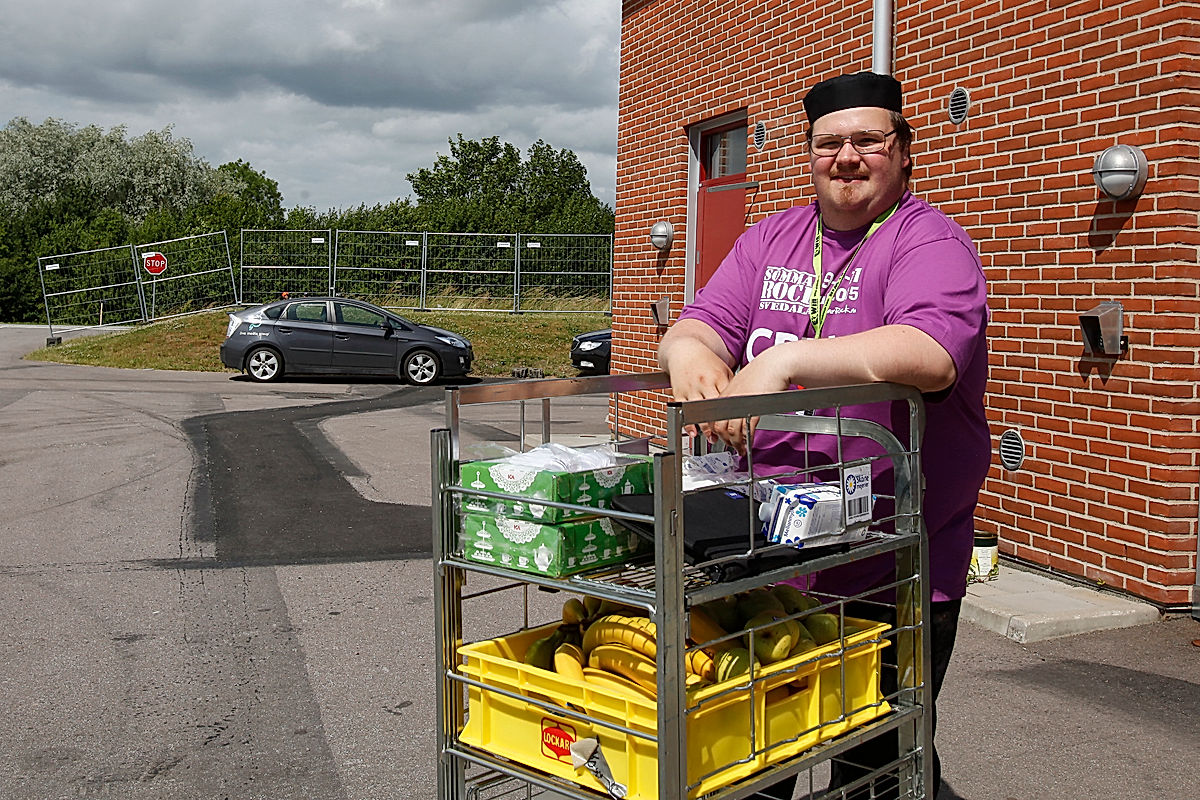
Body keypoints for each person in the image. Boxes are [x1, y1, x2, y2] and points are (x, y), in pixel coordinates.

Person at [657, 71, 990, 798]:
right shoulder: (771, 237)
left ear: (903, 152)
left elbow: (931, 355)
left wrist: (782, 360)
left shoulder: (927, 241)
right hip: (764, 552)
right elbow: (698, 324)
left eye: (868, 140)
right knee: (748, 758)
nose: (847, 156)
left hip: (891, 563)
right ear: (809, 154)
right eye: (829, 142)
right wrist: (692, 361)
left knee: (876, 763)